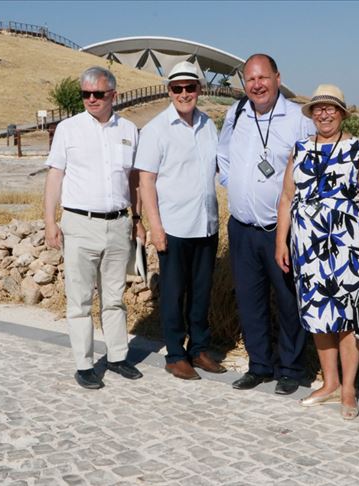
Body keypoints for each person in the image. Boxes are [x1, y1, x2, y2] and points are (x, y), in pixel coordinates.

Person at [275, 84, 359, 420]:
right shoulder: (300, 150)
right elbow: (287, 199)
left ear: (341, 113)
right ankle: (329, 381)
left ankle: (348, 387)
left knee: (349, 319)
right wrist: (281, 241)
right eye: (318, 108)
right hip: (308, 249)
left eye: (330, 108)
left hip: (348, 247)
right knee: (319, 315)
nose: (324, 113)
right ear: (312, 114)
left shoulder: (358, 149)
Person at [217, 54, 314, 395]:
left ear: (277, 77)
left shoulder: (298, 120)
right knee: (250, 299)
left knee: (288, 301)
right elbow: (223, 153)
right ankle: (259, 366)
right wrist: (234, 181)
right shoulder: (237, 113)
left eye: (263, 78)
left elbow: (311, 166)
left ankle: (290, 368)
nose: (256, 85)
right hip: (242, 227)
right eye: (250, 79)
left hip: (281, 230)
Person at [43, 66, 145, 389]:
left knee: (114, 297)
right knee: (80, 300)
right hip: (79, 223)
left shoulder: (129, 130)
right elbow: (55, 176)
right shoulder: (68, 130)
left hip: (117, 224)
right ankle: (84, 364)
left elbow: (134, 180)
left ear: (113, 94)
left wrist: (137, 220)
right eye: (85, 94)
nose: (90, 99)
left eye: (97, 94)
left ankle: (117, 357)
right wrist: (49, 221)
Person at [134, 61, 225, 381]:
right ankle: (175, 354)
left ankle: (199, 348)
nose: (184, 93)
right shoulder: (157, 129)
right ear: (169, 91)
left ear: (200, 89)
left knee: (201, 291)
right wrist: (155, 227)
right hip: (173, 226)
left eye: (190, 87)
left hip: (206, 224)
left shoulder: (208, 125)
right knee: (173, 293)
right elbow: (146, 181)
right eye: (177, 88)